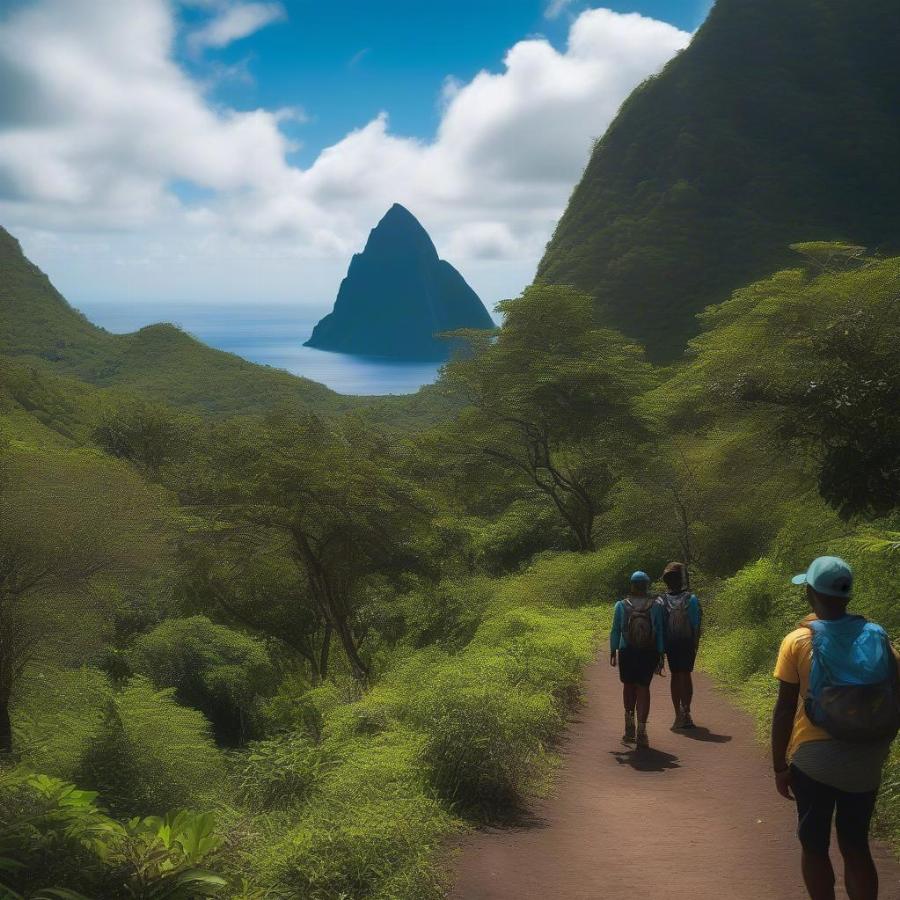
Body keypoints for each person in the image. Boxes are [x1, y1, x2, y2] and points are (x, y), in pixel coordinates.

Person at [771, 556, 900, 900]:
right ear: (847, 594)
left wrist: (779, 766)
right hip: (867, 758)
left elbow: (784, 709)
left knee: (814, 845)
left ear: (811, 593)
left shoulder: (798, 640)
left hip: (814, 759)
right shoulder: (878, 636)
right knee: (856, 844)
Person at [610, 571, 666, 749]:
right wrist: (661, 653)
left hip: (627, 651)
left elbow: (616, 630)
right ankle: (642, 731)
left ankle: (629, 728)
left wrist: (613, 650)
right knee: (643, 688)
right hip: (648, 652)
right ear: (647, 586)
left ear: (632, 586)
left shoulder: (621, 605)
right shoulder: (655, 605)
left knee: (628, 686)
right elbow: (659, 630)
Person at [659, 561, 702, 729]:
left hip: (671, 643)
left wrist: (660, 649)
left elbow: (660, 625)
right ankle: (687, 712)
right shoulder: (691, 599)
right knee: (686, 675)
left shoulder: (662, 600)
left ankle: (677, 714)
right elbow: (696, 624)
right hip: (687, 643)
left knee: (675, 676)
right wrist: (695, 643)